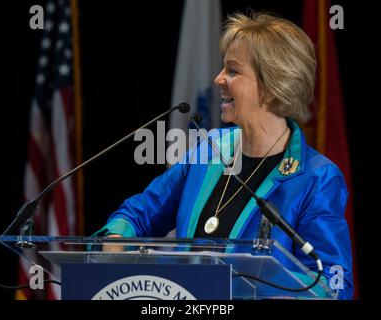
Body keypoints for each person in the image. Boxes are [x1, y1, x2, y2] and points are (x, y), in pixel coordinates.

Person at [94, 12, 353, 299]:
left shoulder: (317, 177)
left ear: (271, 86)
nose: (218, 79)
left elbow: (332, 282)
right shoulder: (208, 150)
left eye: (232, 70)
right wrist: (115, 242)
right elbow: (138, 214)